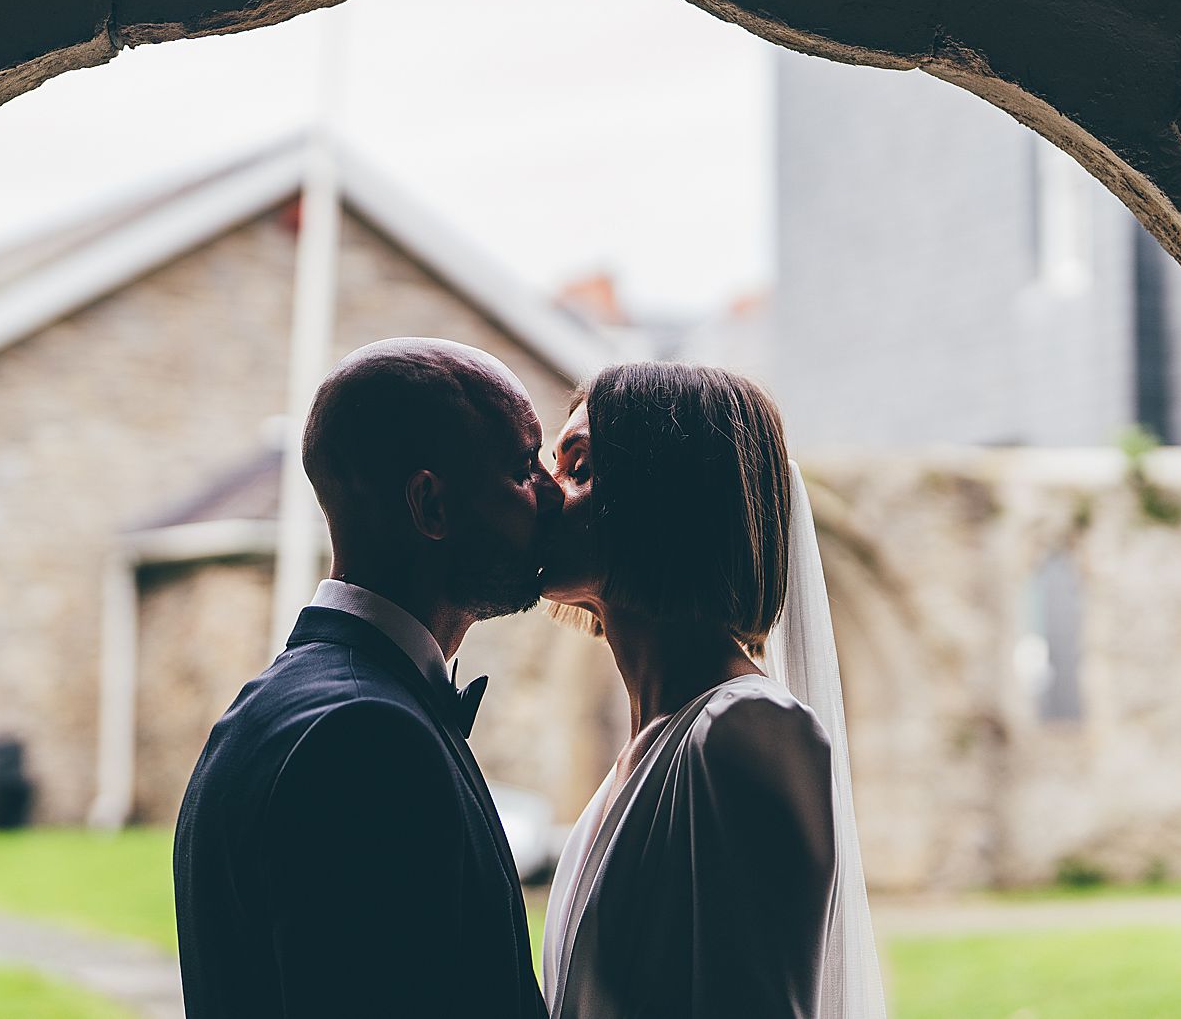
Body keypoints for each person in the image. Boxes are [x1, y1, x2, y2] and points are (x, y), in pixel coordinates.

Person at [174, 337, 556, 1019]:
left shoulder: (274, 705)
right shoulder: (365, 740)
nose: (553, 494)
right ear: (430, 505)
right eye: (525, 467)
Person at [539, 361, 887, 1019]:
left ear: (663, 494)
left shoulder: (745, 730)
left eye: (580, 468)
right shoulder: (639, 754)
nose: (543, 491)